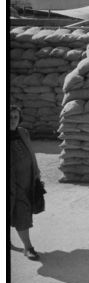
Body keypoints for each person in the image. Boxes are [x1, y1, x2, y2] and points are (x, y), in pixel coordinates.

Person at [9, 104, 42, 260]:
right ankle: (28, 247)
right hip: (11, 185)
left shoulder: (23, 133)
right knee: (19, 212)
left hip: (27, 182)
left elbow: (31, 154)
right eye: (9, 116)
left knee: (20, 211)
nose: (12, 120)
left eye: (16, 117)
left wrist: (36, 173)